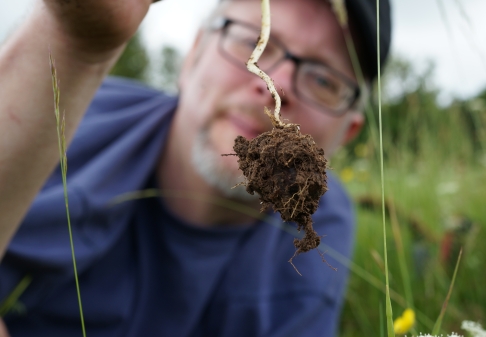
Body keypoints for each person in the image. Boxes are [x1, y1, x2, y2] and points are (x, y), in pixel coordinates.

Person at [0, 0, 391, 336]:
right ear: (193, 54)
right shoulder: (66, 123)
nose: (275, 87)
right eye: (254, 41)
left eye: (323, 79)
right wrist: (75, 42)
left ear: (347, 133)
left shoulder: (319, 234)